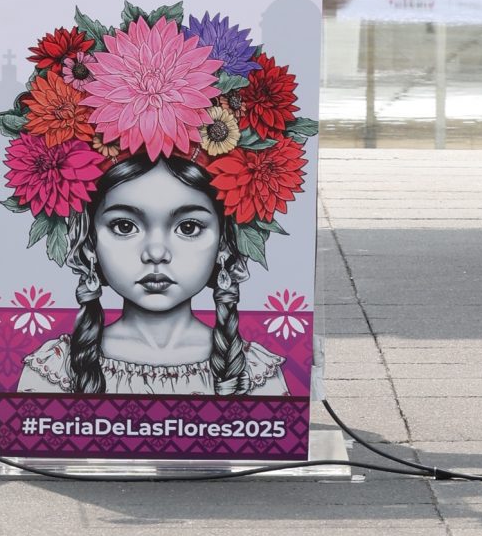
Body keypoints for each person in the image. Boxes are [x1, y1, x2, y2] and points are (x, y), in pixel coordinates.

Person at [17, 152, 286, 398]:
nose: (156, 253)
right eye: (124, 226)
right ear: (89, 243)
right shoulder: (57, 368)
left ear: (224, 244)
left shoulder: (253, 372)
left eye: (189, 227)